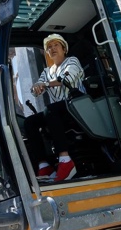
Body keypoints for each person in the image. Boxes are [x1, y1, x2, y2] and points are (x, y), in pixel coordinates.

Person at [24, 34, 84, 183]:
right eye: (49, 47)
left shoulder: (72, 61)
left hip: (77, 105)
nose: (52, 49)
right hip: (59, 111)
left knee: (50, 110)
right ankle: (44, 165)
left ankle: (65, 160)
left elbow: (67, 79)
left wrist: (43, 85)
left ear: (63, 48)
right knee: (30, 122)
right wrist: (36, 88)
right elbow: (36, 88)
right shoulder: (47, 71)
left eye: (55, 45)